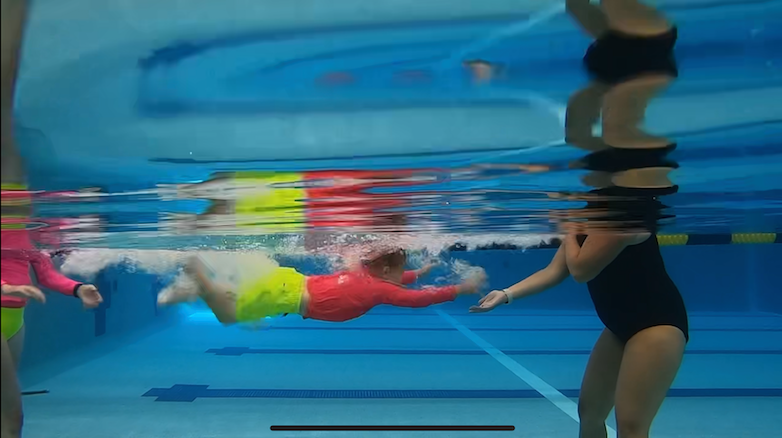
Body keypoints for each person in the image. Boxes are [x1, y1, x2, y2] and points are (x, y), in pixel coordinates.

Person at [158, 249, 485, 324]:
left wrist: (422, 271)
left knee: (232, 295)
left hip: (286, 281)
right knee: (228, 315)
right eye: (403, 271)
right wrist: (461, 289)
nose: (405, 276)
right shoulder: (379, 289)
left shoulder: (369, 277)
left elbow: (399, 282)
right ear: (385, 269)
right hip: (287, 293)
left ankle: (192, 286)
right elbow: (415, 300)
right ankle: (195, 272)